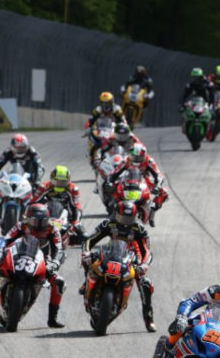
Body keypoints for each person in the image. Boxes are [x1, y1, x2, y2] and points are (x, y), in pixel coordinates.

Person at [80, 201, 157, 331]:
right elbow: (90, 239)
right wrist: (86, 252)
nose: (125, 222)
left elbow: (147, 250)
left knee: (146, 284)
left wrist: (144, 265)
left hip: (133, 256)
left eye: (129, 219)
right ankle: (86, 282)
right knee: (89, 260)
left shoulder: (139, 229)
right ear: (116, 214)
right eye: (123, 218)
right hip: (112, 251)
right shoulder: (109, 223)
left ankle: (148, 319)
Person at [0, 203, 65, 328]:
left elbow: (59, 249)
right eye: (35, 221)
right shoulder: (21, 225)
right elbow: (5, 239)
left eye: (43, 221)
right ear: (28, 219)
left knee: (60, 282)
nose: (39, 225)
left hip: (42, 260)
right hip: (19, 254)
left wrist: (55, 262)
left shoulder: (52, 229)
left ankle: (52, 318)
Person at [0, 133, 44, 219]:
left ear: (27, 147)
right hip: (14, 175)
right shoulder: (8, 152)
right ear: (12, 147)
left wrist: (37, 180)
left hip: (29, 177)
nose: (20, 151)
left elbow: (40, 167)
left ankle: (37, 213)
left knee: (40, 191)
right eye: (17, 148)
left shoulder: (32, 152)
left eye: (22, 148)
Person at [106, 142, 168, 222]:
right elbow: (114, 173)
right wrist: (110, 182)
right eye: (134, 156)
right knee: (111, 187)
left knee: (164, 192)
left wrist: (157, 185)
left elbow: (158, 175)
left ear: (144, 156)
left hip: (144, 181)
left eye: (139, 157)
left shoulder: (149, 161)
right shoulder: (126, 160)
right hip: (127, 179)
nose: (136, 159)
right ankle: (113, 208)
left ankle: (152, 211)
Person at [31, 165, 86, 243]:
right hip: (47, 211)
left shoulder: (73, 189)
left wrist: (76, 222)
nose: (59, 184)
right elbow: (33, 202)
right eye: (57, 181)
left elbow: (76, 206)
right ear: (52, 179)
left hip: (67, 211)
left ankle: (70, 237)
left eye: (63, 182)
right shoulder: (44, 187)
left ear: (68, 180)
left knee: (84, 236)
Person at [86, 92, 127, 162]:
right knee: (91, 137)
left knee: (123, 138)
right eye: (104, 104)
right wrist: (89, 128)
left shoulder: (117, 109)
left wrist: (124, 126)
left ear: (112, 102)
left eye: (108, 103)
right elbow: (91, 120)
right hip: (101, 128)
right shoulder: (97, 110)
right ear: (101, 103)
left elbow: (123, 120)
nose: (106, 106)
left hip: (114, 128)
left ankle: (123, 155)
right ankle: (92, 155)